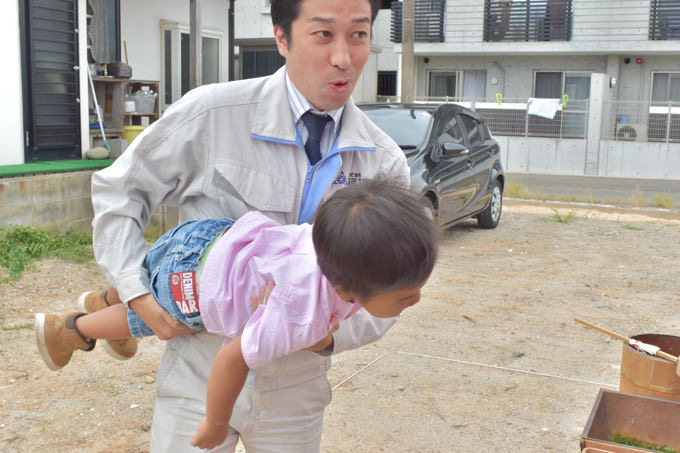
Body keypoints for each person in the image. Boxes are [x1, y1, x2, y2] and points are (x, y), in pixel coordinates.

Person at [85, 0, 411, 450]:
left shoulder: (384, 161)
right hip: (200, 367)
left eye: (358, 34)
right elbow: (122, 190)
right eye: (323, 35)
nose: (344, 57)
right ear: (281, 36)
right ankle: (97, 313)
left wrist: (326, 336)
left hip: (297, 383)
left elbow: (392, 284)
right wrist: (136, 291)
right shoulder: (214, 114)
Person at [35, 179, 438, 450]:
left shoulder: (332, 244)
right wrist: (215, 422)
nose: (415, 301)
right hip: (196, 283)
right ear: (345, 291)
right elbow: (232, 357)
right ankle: (72, 329)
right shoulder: (301, 314)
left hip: (211, 236)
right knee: (157, 319)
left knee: (149, 274)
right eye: (406, 297)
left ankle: (107, 299)